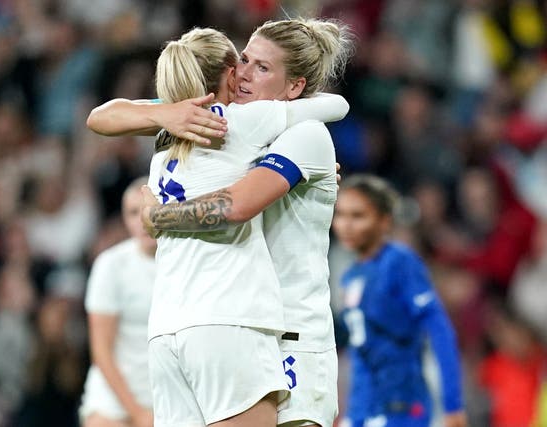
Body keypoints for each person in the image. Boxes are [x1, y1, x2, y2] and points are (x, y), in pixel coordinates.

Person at [88, 26, 350, 427]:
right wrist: (164, 112)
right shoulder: (214, 121)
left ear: (295, 86)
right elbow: (103, 115)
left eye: (261, 67)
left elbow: (239, 202)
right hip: (238, 323)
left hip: (291, 333)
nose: (243, 74)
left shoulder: (304, 134)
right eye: (243, 59)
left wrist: (157, 217)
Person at [331, 174, 467, 427]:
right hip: (369, 409)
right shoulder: (350, 277)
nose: (346, 225)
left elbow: (439, 329)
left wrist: (453, 404)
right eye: (341, 214)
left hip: (403, 408)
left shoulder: (400, 262)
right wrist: (353, 416)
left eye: (358, 216)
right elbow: (362, 353)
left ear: (384, 221)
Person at [79, 177, 156, 427]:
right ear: (124, 220)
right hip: (113, 402)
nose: (142, 220)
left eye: (148, 208)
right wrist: (138, 413)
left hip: (168, 398)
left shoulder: (186, 261)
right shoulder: (110, 265)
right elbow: (101, 351)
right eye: (133, 213)